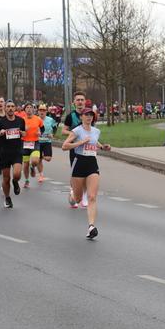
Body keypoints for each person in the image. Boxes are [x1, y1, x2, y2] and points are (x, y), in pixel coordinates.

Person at [62, 107, 111, 239]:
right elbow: (64, 146)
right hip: (79, 164)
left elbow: (94, 141)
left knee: (92, 197)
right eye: (86, 115)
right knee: (78, 199)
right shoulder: (76, 131)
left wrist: (102, 147)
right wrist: (80, 142)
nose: (89, 117)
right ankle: (72, 196)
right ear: (81, 117)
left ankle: (91, 226)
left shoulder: (96, 131)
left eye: (91, 115)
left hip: (92, 164)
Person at [0, 100, 27, 208]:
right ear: (5, 109)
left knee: (16, 174)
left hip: (17, 152)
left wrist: (22, 133)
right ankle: (7, 198)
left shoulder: (20, 120)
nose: (10, 108)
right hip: (4, 153)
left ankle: (15, 182)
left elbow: (24, 133)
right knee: (6, 178)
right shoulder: (0, 122)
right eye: (8, 107)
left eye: (12, 106)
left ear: (15, 108)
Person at [63, 91, 88, 208]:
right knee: (76, 173)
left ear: (85, 101)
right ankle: (73, 191)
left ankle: (84, 197)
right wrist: (75, 134)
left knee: (88, 173)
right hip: (75, 148)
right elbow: (63, 131)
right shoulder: (70, 116)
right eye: (78, 100)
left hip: (87, 149)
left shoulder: (89, 115)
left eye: (82, 100)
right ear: (74, 102)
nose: (80, 102)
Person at [21, 103, 44, 188]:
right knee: (25, 164)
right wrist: (22, 131)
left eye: (31, 107)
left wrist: (40, 133)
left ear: (34, 110)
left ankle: (32, 167)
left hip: (35, 142)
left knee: (35, 161)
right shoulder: (21, 120)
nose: (29, 109)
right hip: (24, 143)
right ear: (25, 110)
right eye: (27, 107)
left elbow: (42, 128)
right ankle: (27, 180)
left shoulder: (38, 119)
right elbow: (18, 131)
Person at [37, 104, 56, 182]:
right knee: (39, 160)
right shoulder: (35, 119)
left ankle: (40, 157)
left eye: (43, 110)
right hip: (37, 142)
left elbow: (55, 127)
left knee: (48, 158)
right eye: (40, 110)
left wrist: (53, 134)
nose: (42, 112)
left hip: (47, 141)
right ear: (38, 111)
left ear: (46, 111)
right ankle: (41, 175)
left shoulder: (50, 119)